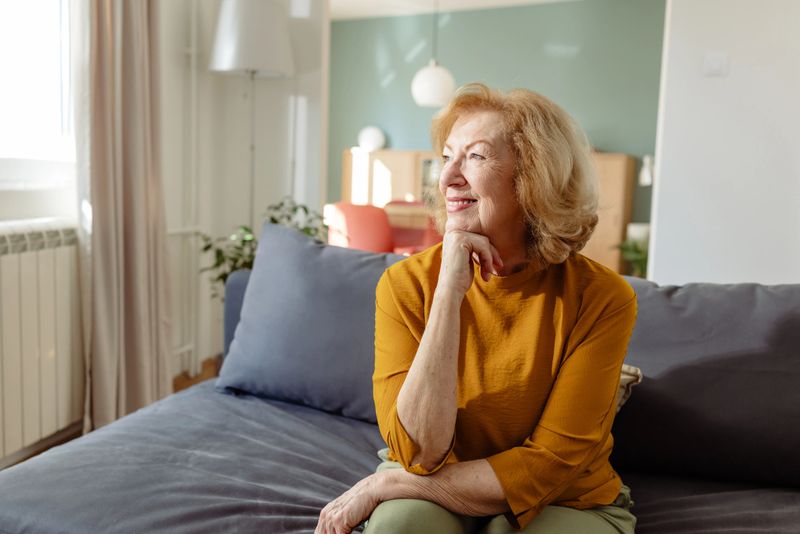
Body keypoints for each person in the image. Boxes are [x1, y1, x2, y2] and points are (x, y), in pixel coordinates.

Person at [315, 83, 638, 534]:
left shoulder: (601, 297)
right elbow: (417, 453)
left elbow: (547, 466)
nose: (447, 178)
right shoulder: (405, 284)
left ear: (534, 178)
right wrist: (449, 290)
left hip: (564, 498)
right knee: (400, 527)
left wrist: (381, 487)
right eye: (448, 156)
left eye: (476, 157)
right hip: (430, 476)